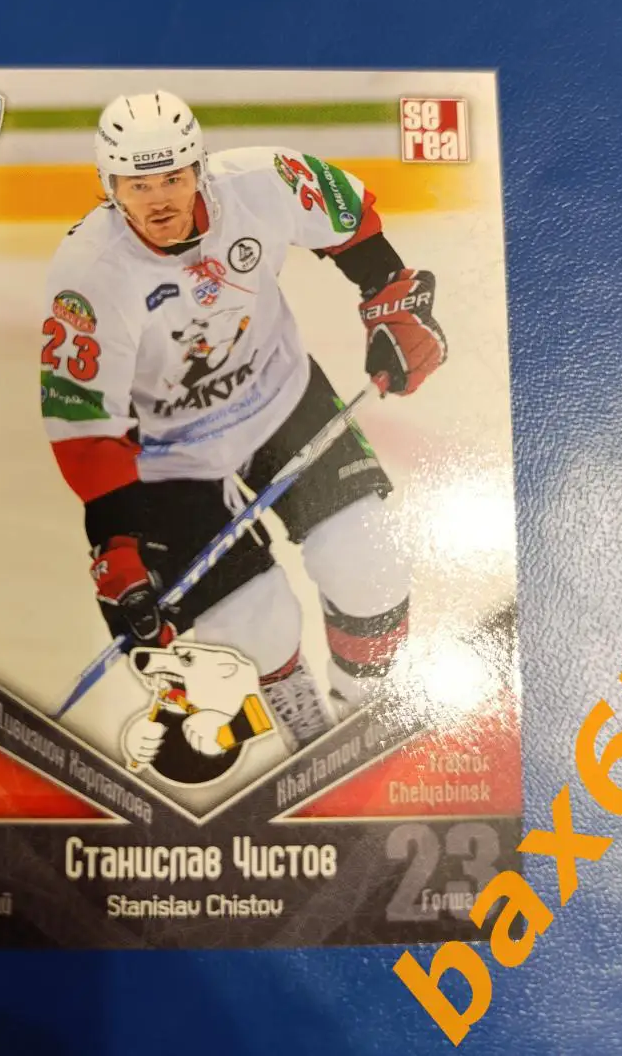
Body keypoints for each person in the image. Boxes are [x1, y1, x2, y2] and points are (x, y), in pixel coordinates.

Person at [41, 91, 447, 753]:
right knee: (253, 628)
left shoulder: (258, 182)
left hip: (281, 398)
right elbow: (86, 431)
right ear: (108, 186)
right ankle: (311, 737)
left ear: (199, 167)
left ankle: (364, 712)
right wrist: (115, 544)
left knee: (367, 562)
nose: (159, 200)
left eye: (173, 178)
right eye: (137, 185)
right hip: (169, 458)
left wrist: (391, 300)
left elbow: (349, 219)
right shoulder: (87, 275)